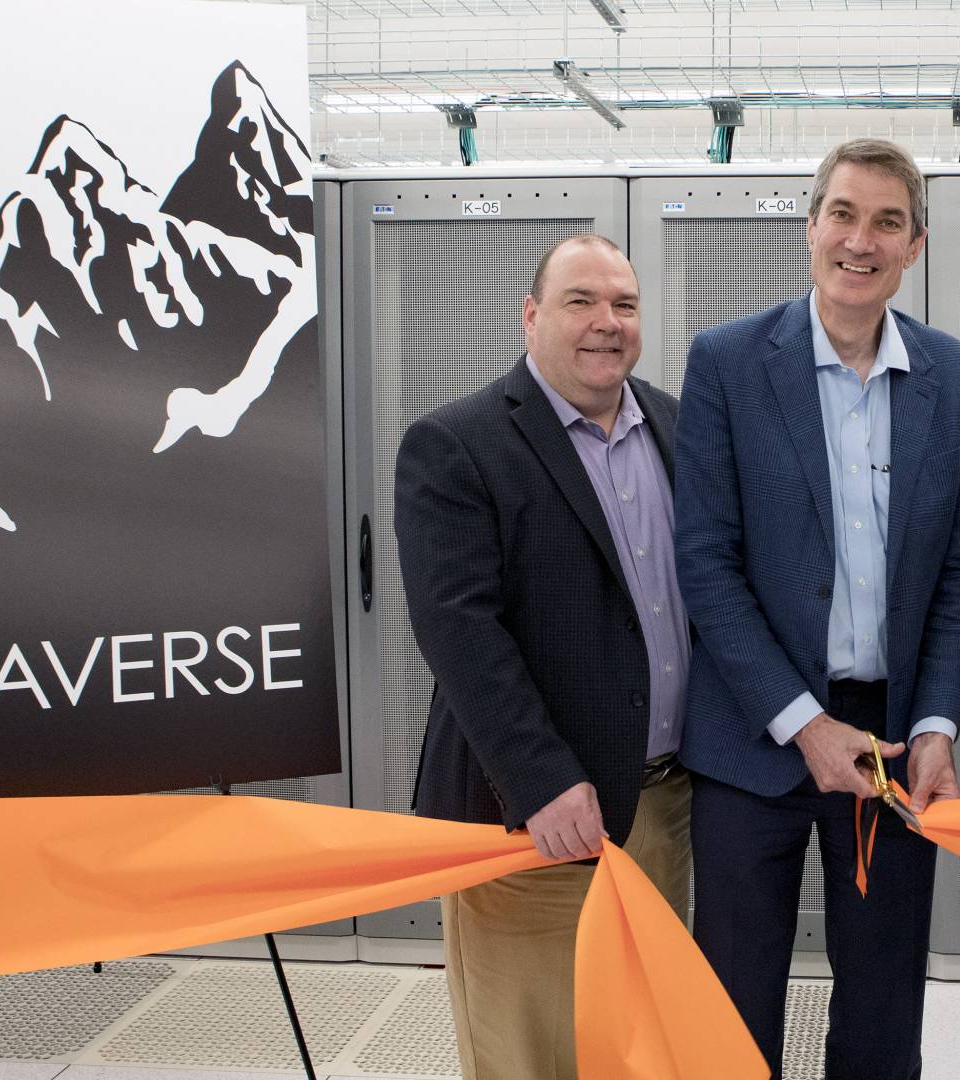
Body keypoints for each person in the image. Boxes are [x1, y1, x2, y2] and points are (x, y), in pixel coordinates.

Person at [672, 137, 960, 1080]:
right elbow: (706, 561)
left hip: (898, 743)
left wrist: (940, 724)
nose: (863, 240)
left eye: (888, 222)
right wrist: (803, 722)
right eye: (845, 215)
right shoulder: (729, 363)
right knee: (732, 1012)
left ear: (917, 245)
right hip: (753, 737)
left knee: (882, 1010)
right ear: (811, 225)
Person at [393, 234, 691, 1080]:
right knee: (532, 1049)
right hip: (534, 818)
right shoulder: (458, 442)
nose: (607, 323)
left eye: (624, 305)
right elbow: (458, 628)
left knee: (638, 1038)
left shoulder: (673, 424)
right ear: (531, 317)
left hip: (663, 806)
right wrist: (542, 781)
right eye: (581, 302)